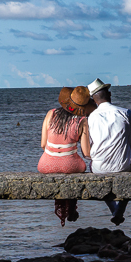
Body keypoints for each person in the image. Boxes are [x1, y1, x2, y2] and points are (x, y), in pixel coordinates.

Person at [84, 78, 131, 225]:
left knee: (96, 172)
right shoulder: (126, 113)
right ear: (109, 95)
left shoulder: (91, 118)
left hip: (99, 168)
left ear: (94, 100)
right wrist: (124, 156)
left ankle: (113, 209)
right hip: (123, 166)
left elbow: (90, 147)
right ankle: (120, 209)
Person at [38, 86, 92, 226]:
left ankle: (65, 209)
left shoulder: (51, 114)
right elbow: (86, 153)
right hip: (71, 165)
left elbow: (43, 144)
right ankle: (72, 209)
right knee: (76, 167)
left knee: (63, 166)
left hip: (46, 165)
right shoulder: (82, 121)